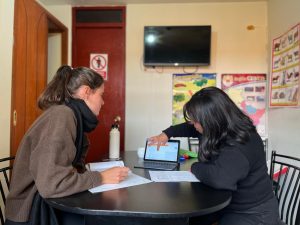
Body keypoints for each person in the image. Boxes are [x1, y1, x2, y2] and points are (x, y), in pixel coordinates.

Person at [5, 65, 129, 225]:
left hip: (45, 203)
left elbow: (67, 169)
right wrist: (101, 177)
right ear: (86, 92)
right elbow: (52, 184)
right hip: (32, 212)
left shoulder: (70, 115)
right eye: (101, 95)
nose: (103, 102)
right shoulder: (62, 116)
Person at [148, 87, 281, 225]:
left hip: (252, 212)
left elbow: (220, 178)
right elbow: (187, 127)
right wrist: (166, 134)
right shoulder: (218, 128)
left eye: (196, 121)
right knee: (188, 220)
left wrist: (195, 167)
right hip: (227, 204)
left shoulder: (242, 142)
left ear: (211, 119)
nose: (193, 125)